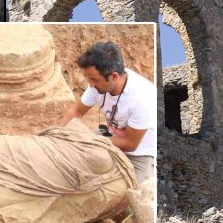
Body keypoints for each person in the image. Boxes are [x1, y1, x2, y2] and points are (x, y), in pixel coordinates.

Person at [60, 42, 156, 184]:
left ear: (114, 76)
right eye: (89, 78)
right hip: (110, 136)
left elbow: (131, 144)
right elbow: (76, 111)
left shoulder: (141, 99)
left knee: (133, 198)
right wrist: (58, 134)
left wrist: (91, 141)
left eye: (94, 79)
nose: (90, 84)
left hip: (139, 153)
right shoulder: (98, 86)